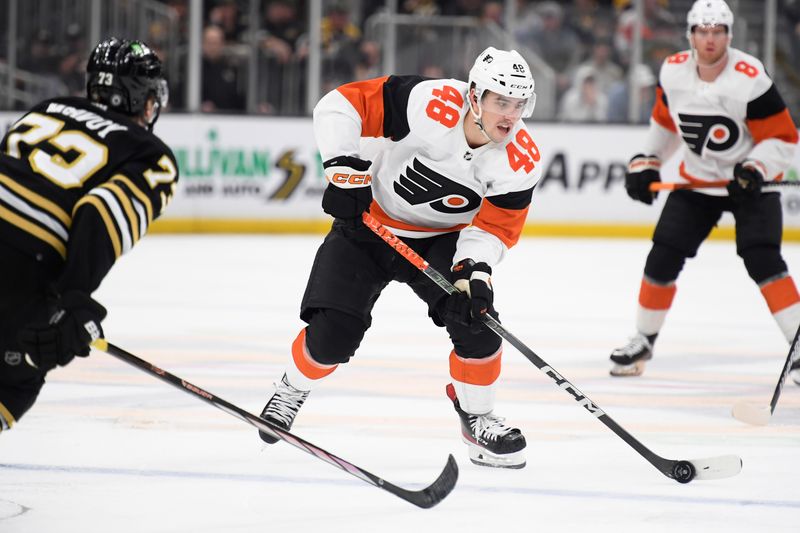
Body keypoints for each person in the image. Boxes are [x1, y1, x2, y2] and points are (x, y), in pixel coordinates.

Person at [257, 47, 541, 469]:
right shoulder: (428, 102)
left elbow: (494, 229)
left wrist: (473, 273)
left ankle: (477, 418)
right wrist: (343, 172)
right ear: (474, 96)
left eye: (519, 105)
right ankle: (291, 388)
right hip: (369, 227)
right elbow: (340, 105)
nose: (510, 115)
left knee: (479, 323)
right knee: (333, 335)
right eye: (502, 102)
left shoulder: (520, 160)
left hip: (441, 241)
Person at [609, 0, 800, 384]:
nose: (710, 39)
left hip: (748, 184)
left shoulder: (750, 79)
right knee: (662, 257)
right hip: (697, 180)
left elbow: (783, 138)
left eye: (718, 32)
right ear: (691, 35)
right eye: (703, 31)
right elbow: (664, 123)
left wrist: (755, 168)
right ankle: (643, 340)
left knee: (763, 260)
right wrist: (647, 161)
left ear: (729, 35)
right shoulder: (673, 71)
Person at [0, 38, 178, 432]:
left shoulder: (45, 110)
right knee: (14, 382)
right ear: (141, 98)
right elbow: (101, 213)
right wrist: (73, 299)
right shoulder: (151, 154)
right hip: (22, 265)